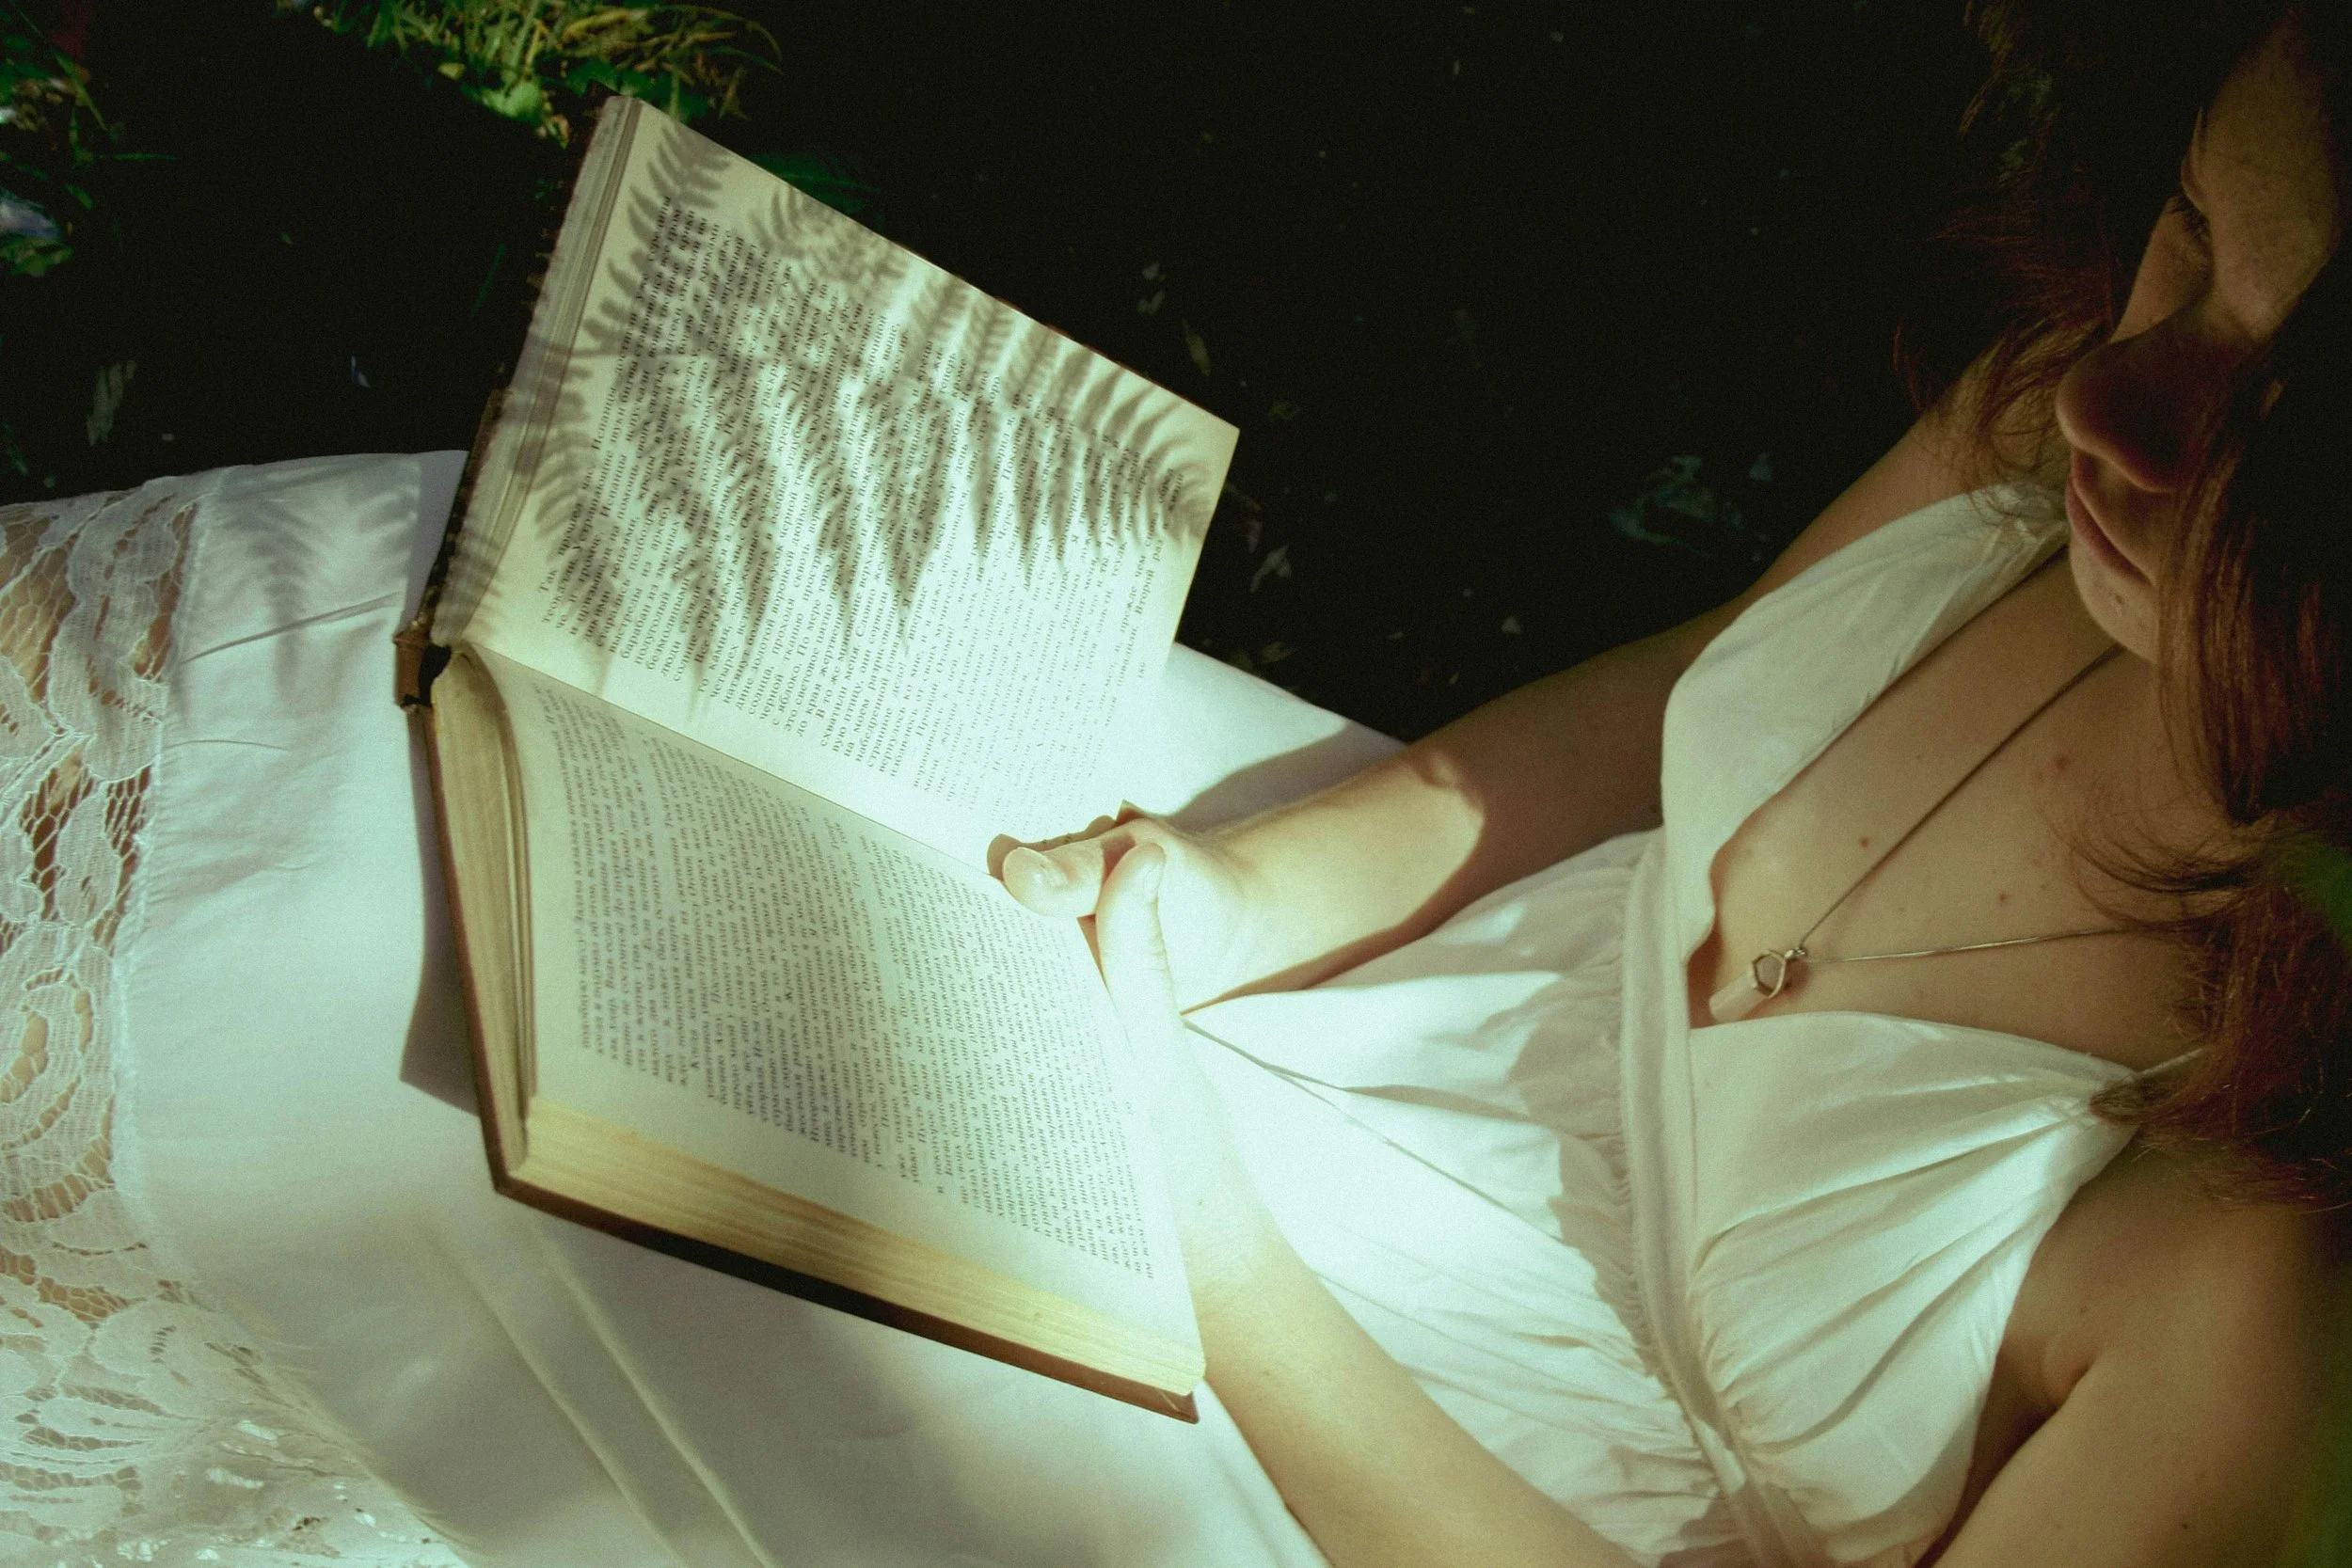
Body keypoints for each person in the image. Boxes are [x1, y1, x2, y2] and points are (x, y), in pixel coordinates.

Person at [1000, 2, 2351, 1563]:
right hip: (1331, 1063)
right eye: (2192, 224)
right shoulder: (2059, 418)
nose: (2103, 400)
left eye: (2282, 422)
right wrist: (1229, 901)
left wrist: (1205, 1243)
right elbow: (1655, 717)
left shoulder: (2282, 1294)